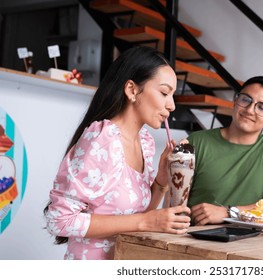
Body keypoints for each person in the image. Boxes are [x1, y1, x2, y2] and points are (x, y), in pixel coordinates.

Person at [44, 46, 191, 260]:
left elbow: (137, 215)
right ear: (132, 90)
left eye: (172, 95)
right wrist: (148, 222)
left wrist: (161, 178)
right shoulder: (102, 140)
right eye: (164, 92)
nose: (172, 105)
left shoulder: (144, 142)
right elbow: (59, 220)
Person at [186, 76, 263, 225]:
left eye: (262, 107)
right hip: (195, 237)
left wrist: (229, 213)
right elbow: (175, 202)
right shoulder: (197, 142)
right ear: (235, 101)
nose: (250, 110)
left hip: (251, 242)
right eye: (246, 100)